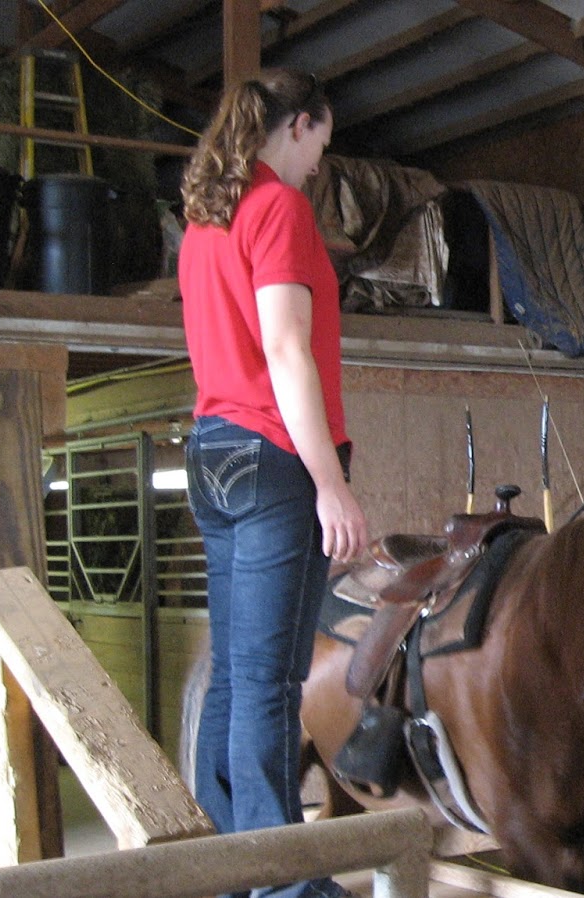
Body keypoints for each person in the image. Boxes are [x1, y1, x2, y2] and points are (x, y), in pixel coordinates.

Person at [179, 68, 369, 898]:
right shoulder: (278, 208)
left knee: (233, 674)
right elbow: (287, 349)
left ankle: (225, 867)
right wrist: (329, 483)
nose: (319, 163)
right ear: (299, 124)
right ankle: (282, 882)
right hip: (272, 457)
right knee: (269, 682)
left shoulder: (206, 220)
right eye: (321, 143)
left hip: (212, 450)